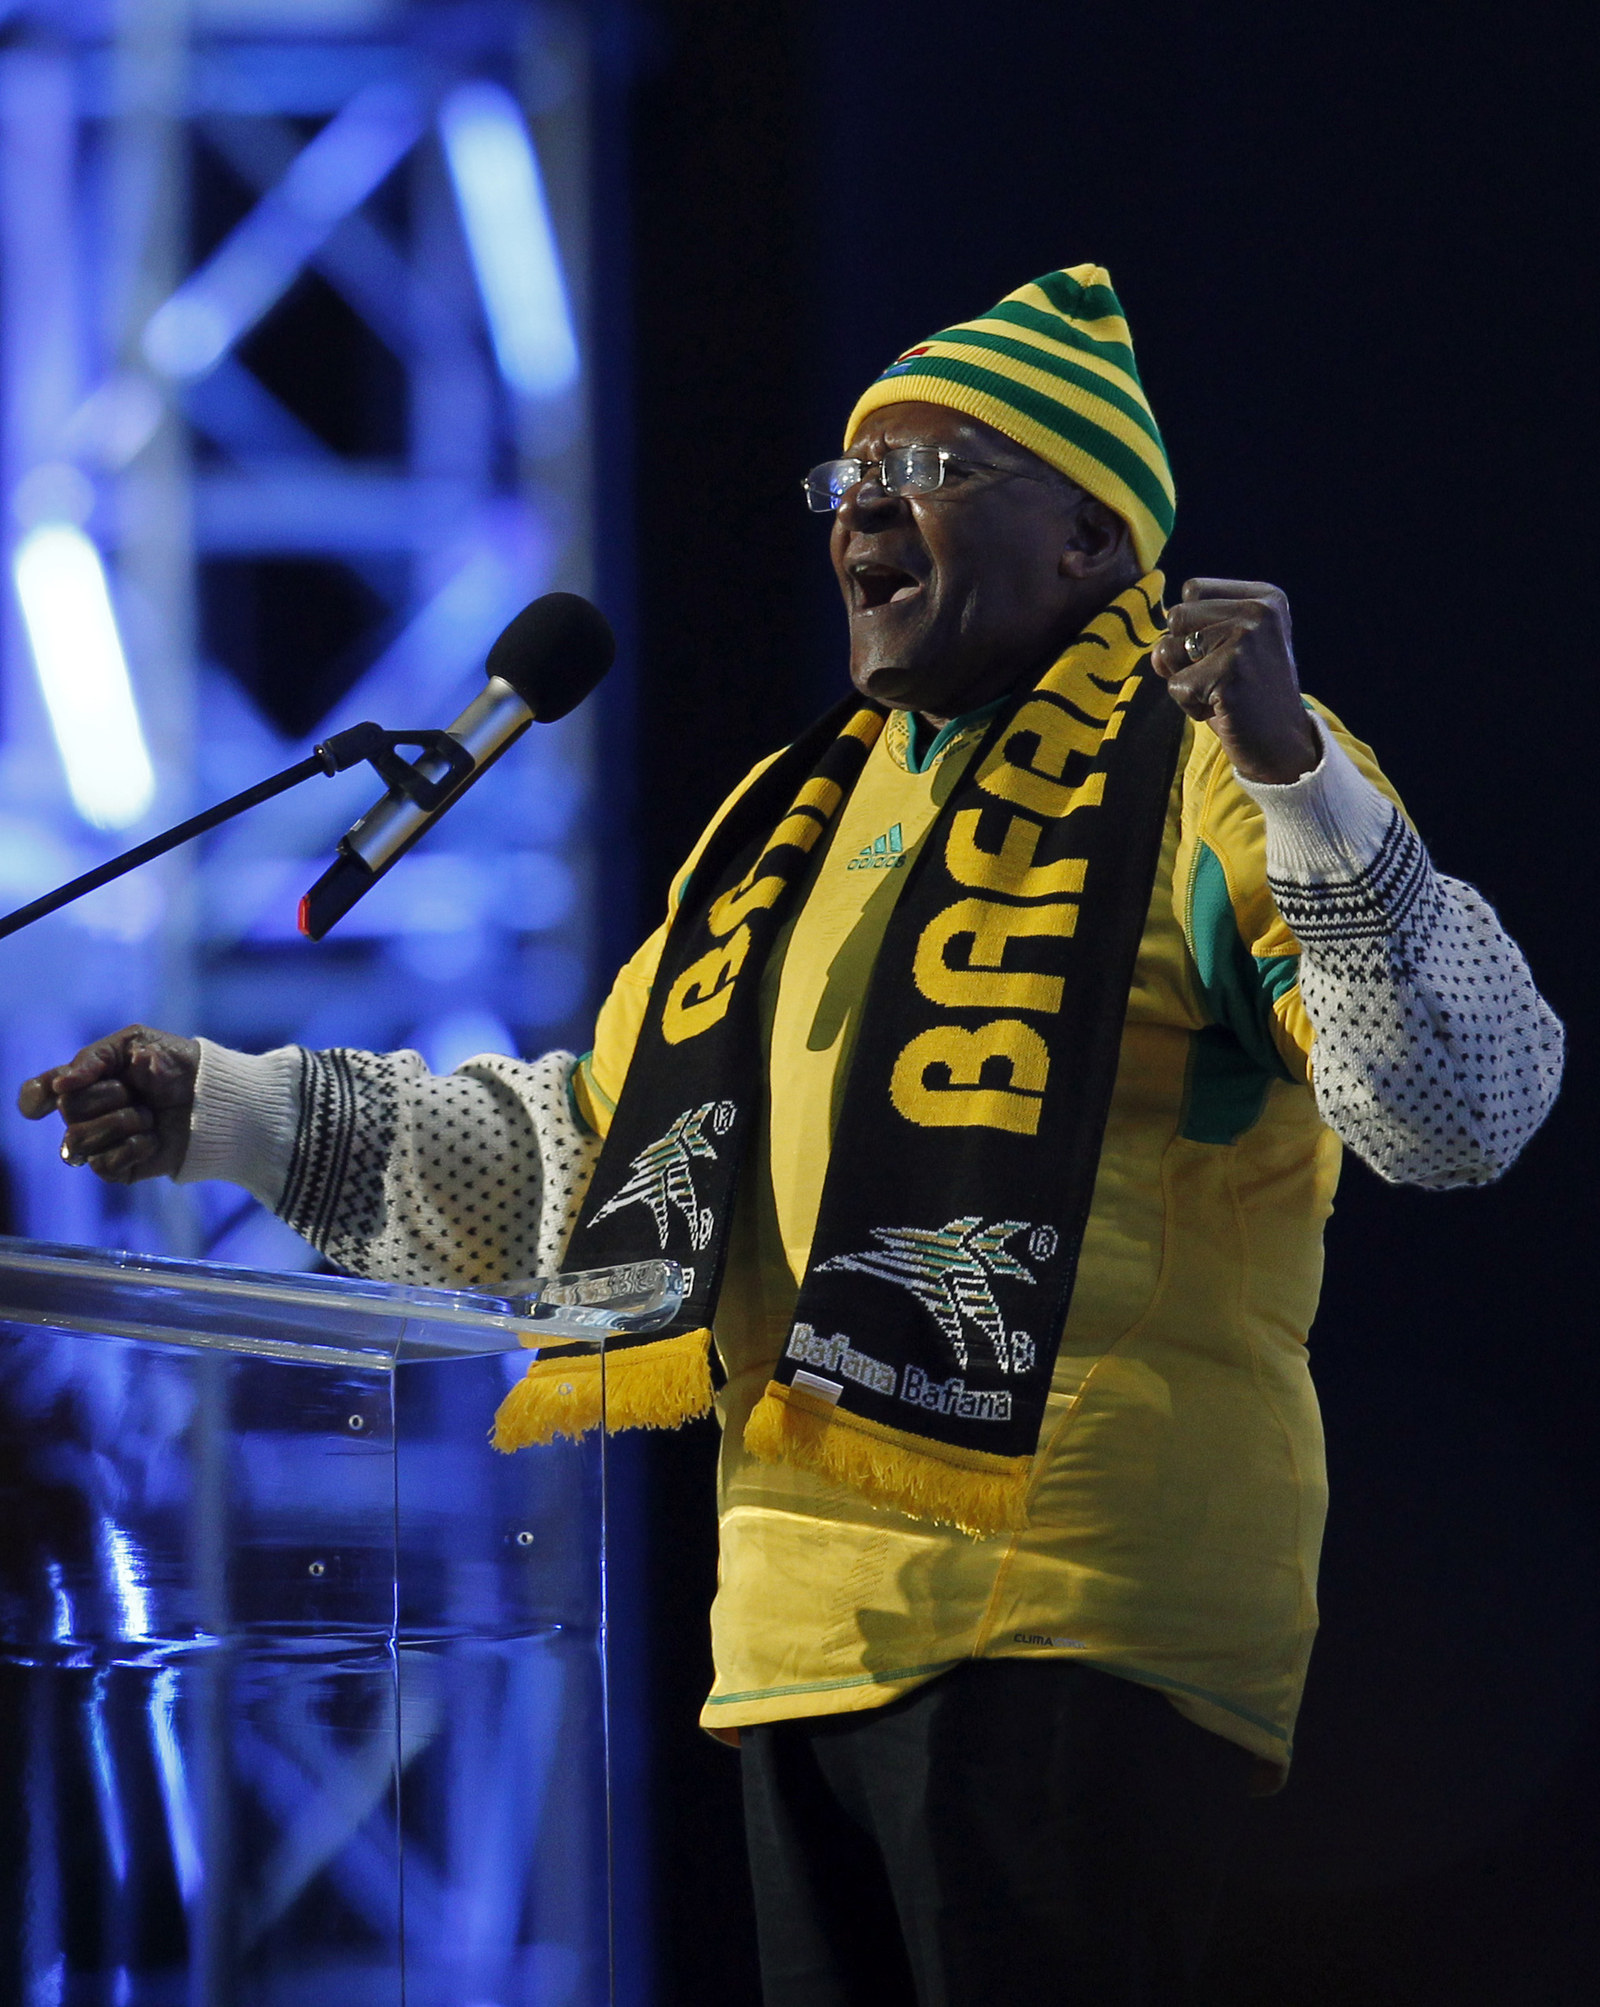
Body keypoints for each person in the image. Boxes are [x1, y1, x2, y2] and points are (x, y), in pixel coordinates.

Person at [18, 265, 1563, 2006]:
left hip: (1078, 1621)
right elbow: (583, 1169)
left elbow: (1463, 1103)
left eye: (934, 472)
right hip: (797, 1645)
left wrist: (1296, 770)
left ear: (1090, 540)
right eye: (849, 482)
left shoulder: (1212, 768)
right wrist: (222, 1109)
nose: (865, 518)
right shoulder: (787, 827)